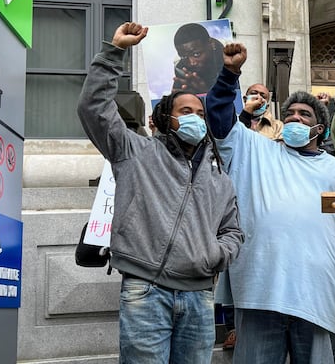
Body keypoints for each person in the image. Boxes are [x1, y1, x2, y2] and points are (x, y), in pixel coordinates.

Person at [77, 21, 243, 363]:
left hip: (199, 298)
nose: (196, 118)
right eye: (186, 112)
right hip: (144, 292)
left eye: (200, 113)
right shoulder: (134, 152)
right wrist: (115, 52)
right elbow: (94, 109)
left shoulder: (218, 177)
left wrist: (214, 255)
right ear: (166, 119)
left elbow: (233, 231)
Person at [205, 42, 335, 364]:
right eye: (289, 114)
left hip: (319, 293)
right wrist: (229, 73)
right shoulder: (254, 149)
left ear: (320, 126)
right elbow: (218, 118)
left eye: (305, 114)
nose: (295, 119)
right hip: (261, 292)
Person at [172, 22, 224, 94]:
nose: (191, 63)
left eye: (196, 54)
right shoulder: (181, 68)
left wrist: (205, 93)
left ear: (212, 44)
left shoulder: (229, 60)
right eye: (184, 57)